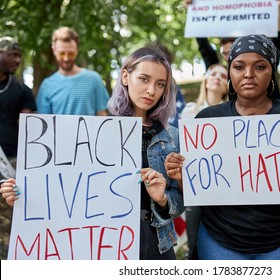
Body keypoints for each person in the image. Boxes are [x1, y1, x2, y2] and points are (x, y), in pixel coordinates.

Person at [1, 47, 185, 260]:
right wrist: (23, 195)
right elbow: (65, 190)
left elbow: (179, 205)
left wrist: (162, 199)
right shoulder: (92, 132)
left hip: (157, 246)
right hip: (106, 245)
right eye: (144, 79)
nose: (151, 90)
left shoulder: (171, 137)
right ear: (126, 76)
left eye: (160, 84)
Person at [164, 34, 280, 260]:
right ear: (230, 71)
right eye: (239, 66)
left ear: (272, 71)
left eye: (260, 66)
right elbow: (194, 190)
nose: (248, 74)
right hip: (220, 241)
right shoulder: (206, 120)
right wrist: (181, 176)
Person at [180, 63, 228, 259]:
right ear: (206, 81)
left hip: (225, 190)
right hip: (196, 189)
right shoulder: (190, 111)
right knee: (194, 248)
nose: (217, 77)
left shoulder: (234, 114)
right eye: (213, 73)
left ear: (228, 85)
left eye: (223, 75)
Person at [184, 0, 280, 69]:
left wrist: (275, 10)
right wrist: (193, 12)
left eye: (232, 52)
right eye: (225, 53)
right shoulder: (216, 70)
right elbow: (203, 44)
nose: (228, 57)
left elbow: (277, 43)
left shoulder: (261, 66)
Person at [36, 27, 109, 116]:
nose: (66, 59)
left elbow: (102, 115)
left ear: (77, 50)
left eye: (71, 53)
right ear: (54, 50)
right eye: (62, 53)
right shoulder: (47, 85)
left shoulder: (94, 79)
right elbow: (43, 123)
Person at [0, 36, 36, 167]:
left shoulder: (22, 90)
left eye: (19, 56)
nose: (18, 60)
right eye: (12, 55)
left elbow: (29, 129)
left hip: (11, 160)